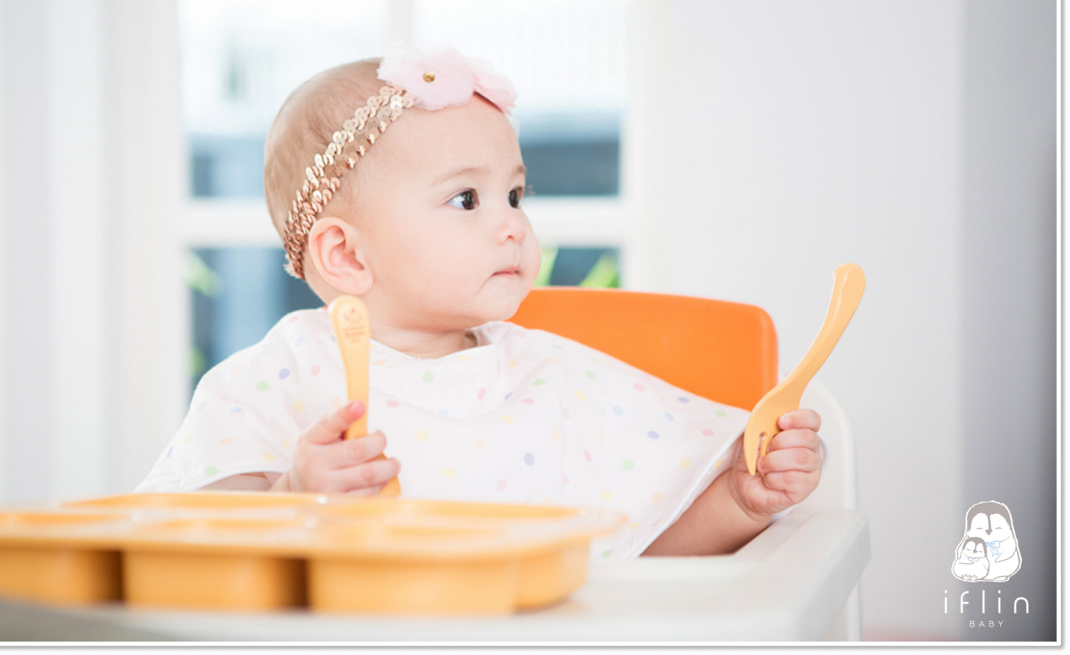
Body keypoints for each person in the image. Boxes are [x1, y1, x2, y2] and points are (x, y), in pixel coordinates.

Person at [138, 46, 824, 557]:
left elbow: (640, 552)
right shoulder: (278, 376)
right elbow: (187, 544)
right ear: (346, 254)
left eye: (515, 194)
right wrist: (292, 499)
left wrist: (737, 501)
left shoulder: (552, 376)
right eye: (467, 199)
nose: (513, 224)